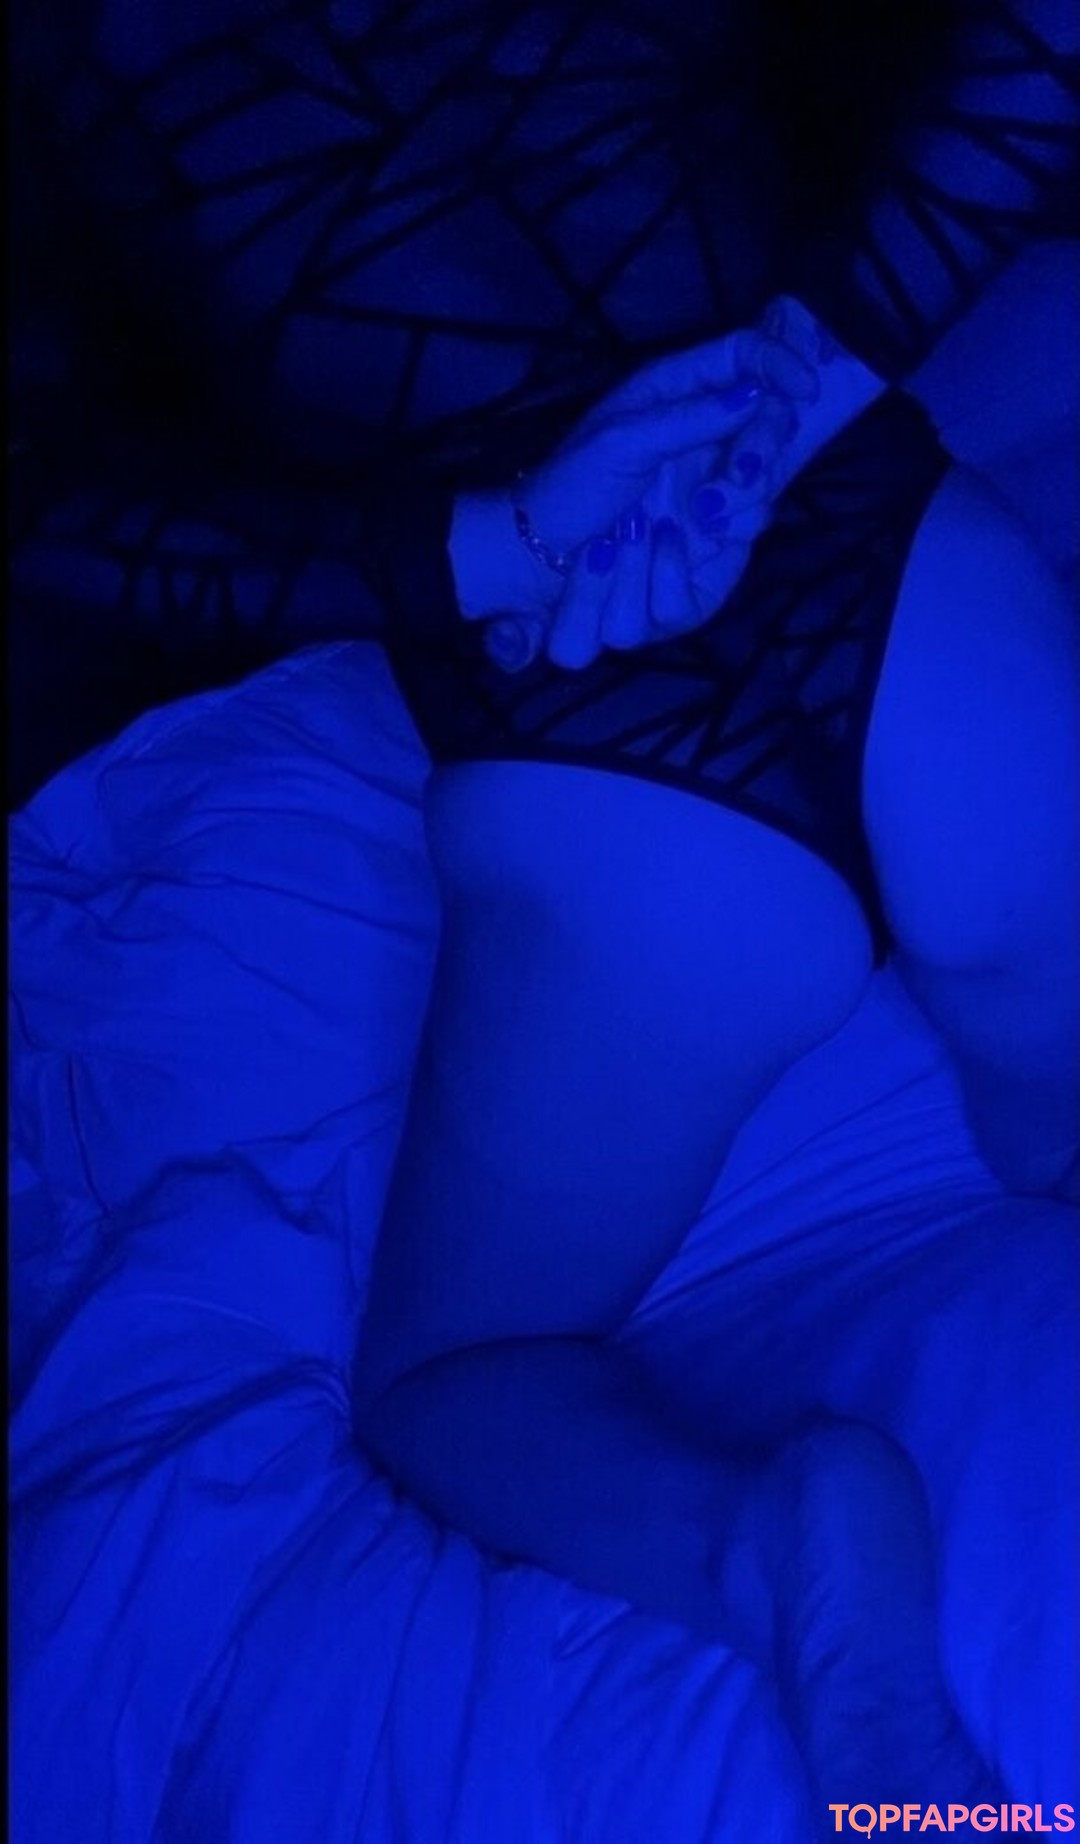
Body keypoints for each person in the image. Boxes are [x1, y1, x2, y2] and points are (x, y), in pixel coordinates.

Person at [10, 0, 1079, 1821]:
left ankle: (788, 1558)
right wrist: (812, 369)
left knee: (456, 1378)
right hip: (923, 591)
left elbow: (51, 506)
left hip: (604, 741)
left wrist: (498, 543)